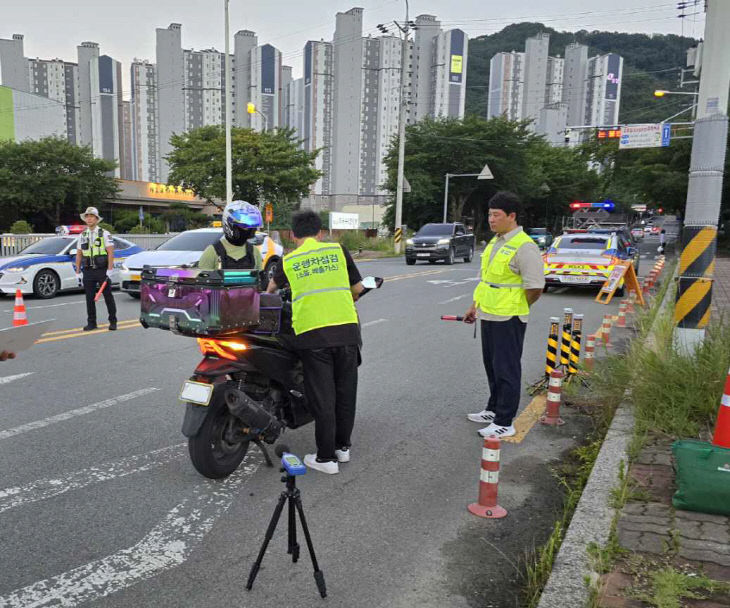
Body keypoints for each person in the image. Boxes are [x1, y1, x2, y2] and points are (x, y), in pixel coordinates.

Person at [266, 210, 364, 474]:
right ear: (320, 233)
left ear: (292, 235)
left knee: (323, 397)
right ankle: (342, 449)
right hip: (346, 331)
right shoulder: (338, 251)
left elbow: (270, 291)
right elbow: (357, 289)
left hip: (312, 336)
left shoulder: (290, 259)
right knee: (345, 393)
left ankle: (325, 458)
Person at [464, 192, 545, 438]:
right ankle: (493, 408)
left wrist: (516, 306)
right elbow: (487, 280)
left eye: (496, 215)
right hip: (488, 314)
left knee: (506, 368)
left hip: (509, 317)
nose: (491, 219)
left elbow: (535, 287)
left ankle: (505, 421)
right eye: (489, 214)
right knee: (492, 366)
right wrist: (474, 305)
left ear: (512, 216)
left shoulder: (525, 246)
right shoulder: (496, 242)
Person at [75, 207, 117, 332]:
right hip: (88, 270)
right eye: (87, 216)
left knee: (108, 295)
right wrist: (77, 271)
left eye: (91, 216)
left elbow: (110, 252)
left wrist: (109, 269)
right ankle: (92, 323)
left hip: (102, 270)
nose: (89, 218)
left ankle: (113, 321)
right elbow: (79, 253)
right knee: (89, 298)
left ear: (97, 219)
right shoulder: (82, 235)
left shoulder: (104, 233)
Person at [198, 200, 263, 271]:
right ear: (231, 226)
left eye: (250, 227)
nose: (249, 230)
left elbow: (260, 279)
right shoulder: (212, 251)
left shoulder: (254, 252)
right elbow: (202, 278)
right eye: (244, 226)